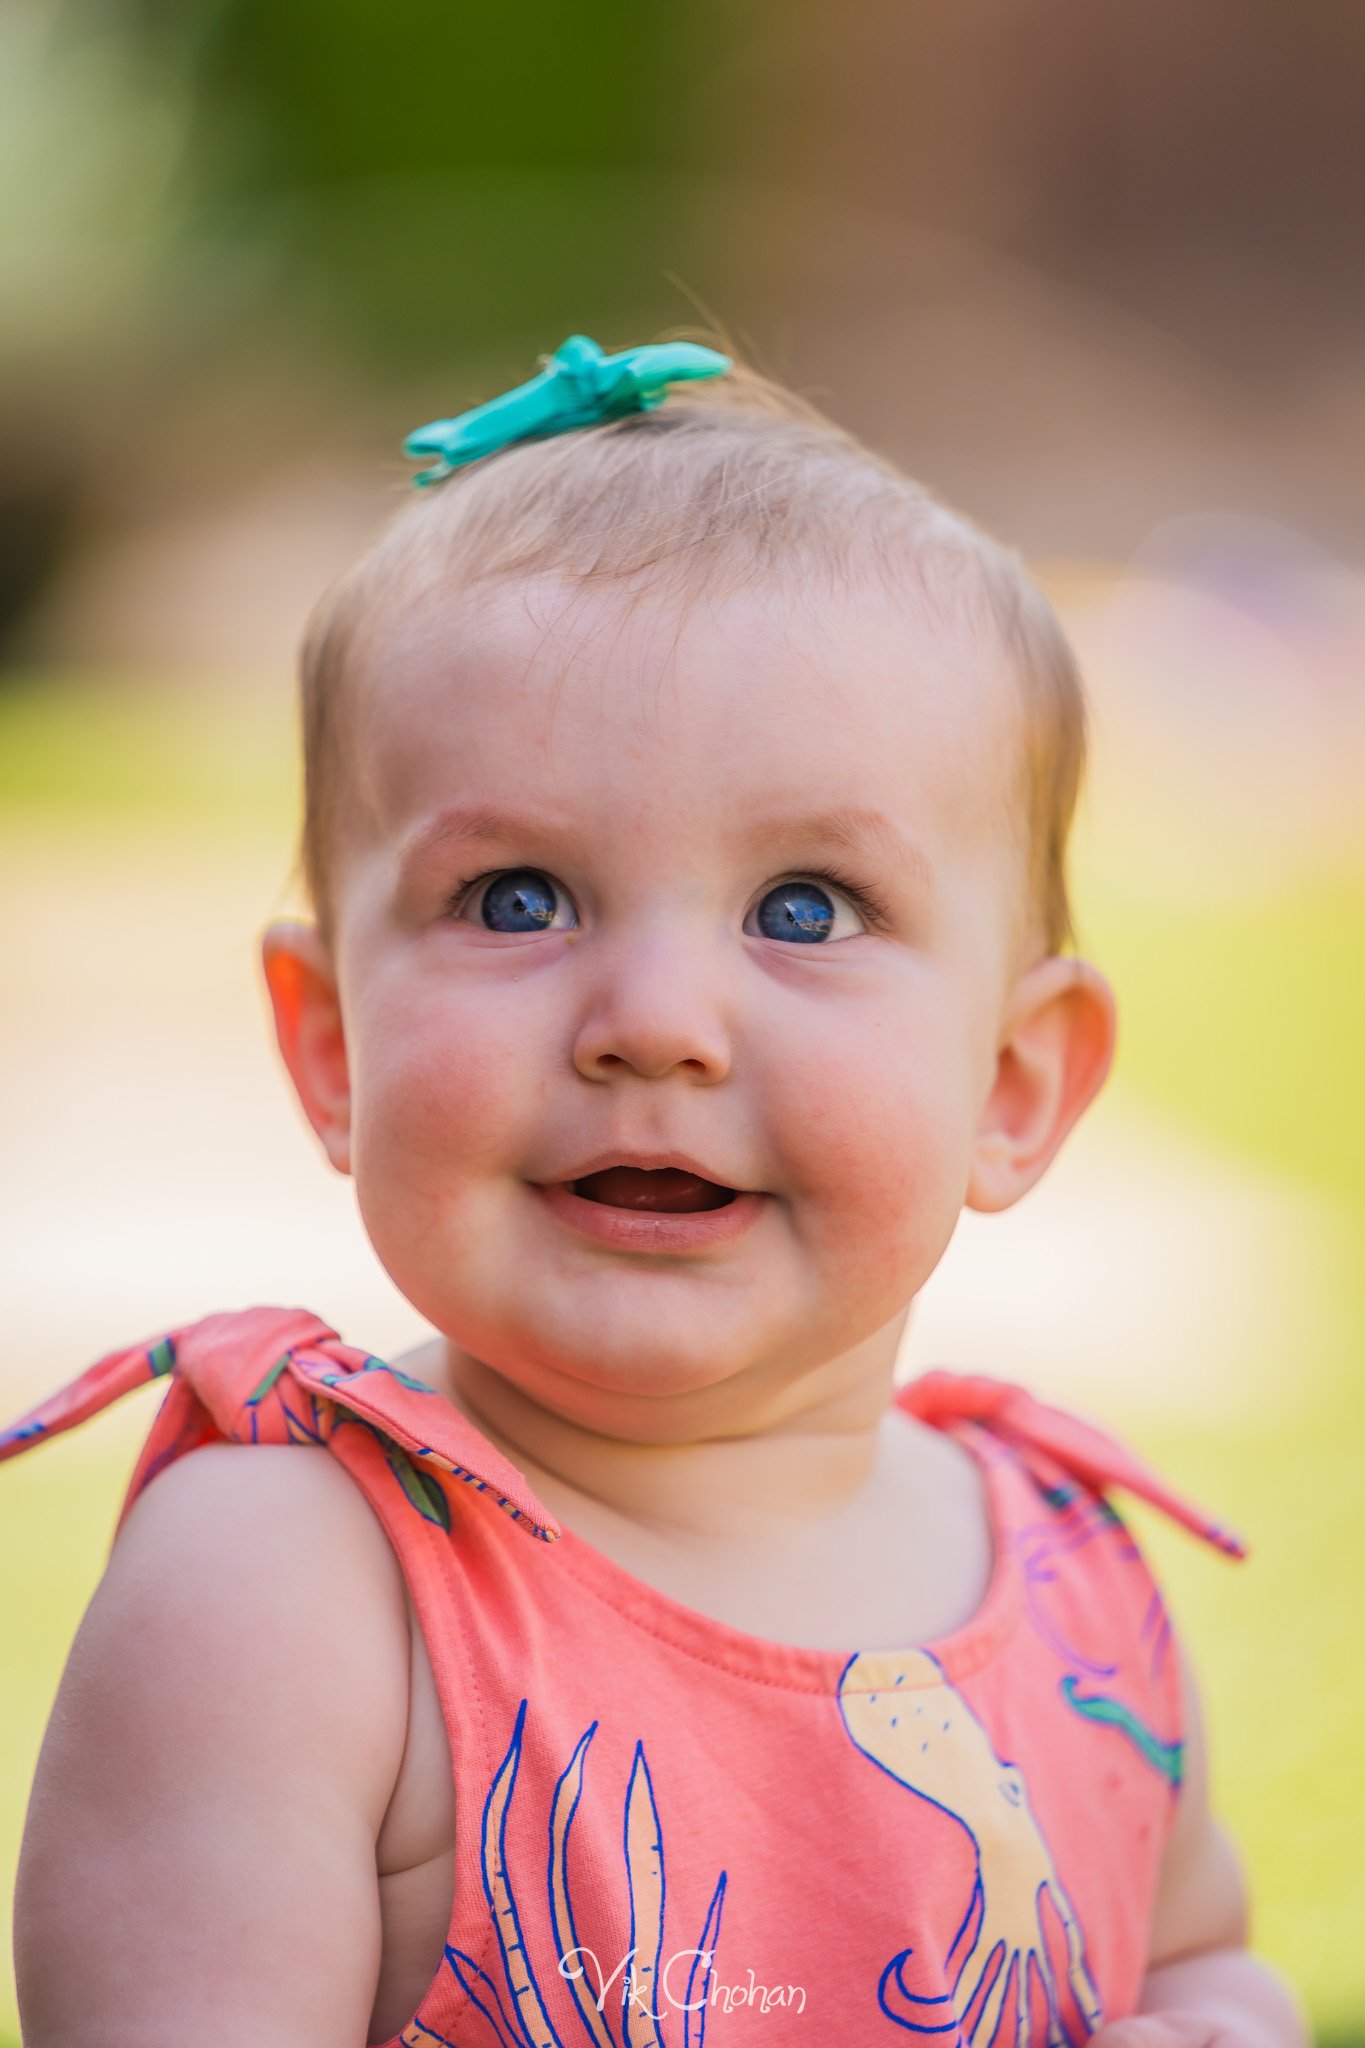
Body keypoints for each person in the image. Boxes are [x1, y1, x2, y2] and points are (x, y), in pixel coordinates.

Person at [2, 335, 1307, 2047]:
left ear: (1010, 1087)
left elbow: (1199, 1954)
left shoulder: (1075, 1585)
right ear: (330, 1045)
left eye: (805, 909)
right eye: (521, 898)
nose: (656, 1026)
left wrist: (1218, 2019)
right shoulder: (287, 1601)